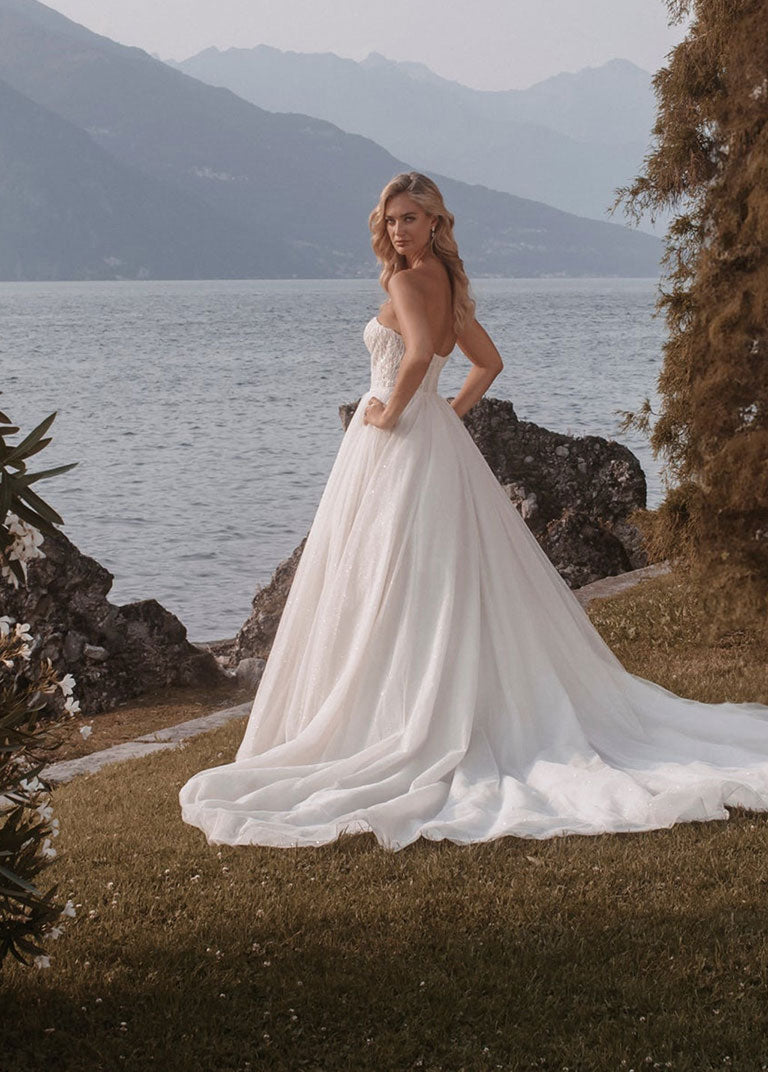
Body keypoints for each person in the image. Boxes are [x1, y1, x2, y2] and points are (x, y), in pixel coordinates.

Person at [179, 171, 768, 850]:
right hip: (435, 442)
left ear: (435, 222)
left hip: (396, 444)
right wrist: (445, 412)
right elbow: (486, 363)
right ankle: (430, 702)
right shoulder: (449, 285)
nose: (399, 230)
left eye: (411, 218)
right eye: (391, 219)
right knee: (430, 577)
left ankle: (394, 717)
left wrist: (391, 412)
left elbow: (422, 355)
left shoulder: (405, 282)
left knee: (388, 578)